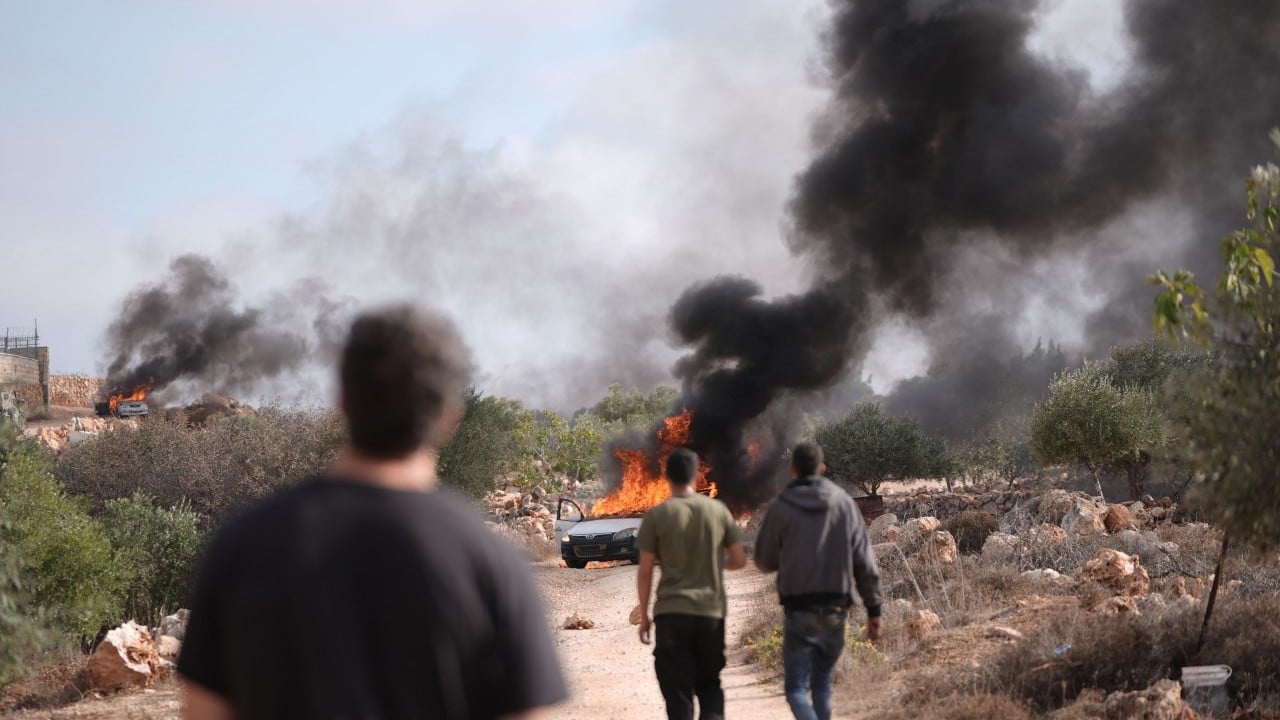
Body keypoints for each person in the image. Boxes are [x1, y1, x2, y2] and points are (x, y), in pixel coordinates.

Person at [178, 305, 569, 720]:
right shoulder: (491, 562)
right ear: (449, 417)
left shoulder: (243, 545)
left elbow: (204, 711)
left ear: (344, 402)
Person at [753, 442, 883, 720]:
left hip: (799, 612)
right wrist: (875, 611)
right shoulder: (845, 504)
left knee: (796, 689)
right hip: (836, 611)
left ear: (792, 470)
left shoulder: (780, 507)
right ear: (822, 468)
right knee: (822, 682)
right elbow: (865, 563)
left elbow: (764, 561)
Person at [635, 448, 748, 720]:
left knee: (678, 694)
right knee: (709, 686)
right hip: (710, 615)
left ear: (666, 475)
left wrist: (644, 617)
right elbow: (739, 560)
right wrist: (713, 565)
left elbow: (645, 572)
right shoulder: (717, 511)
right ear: (696, 475)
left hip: (671, 617)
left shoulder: (656, 516)